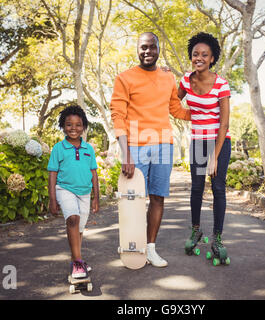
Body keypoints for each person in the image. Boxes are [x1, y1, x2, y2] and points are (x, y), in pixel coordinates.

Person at [110, 32, 191, 267]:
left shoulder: (167, 78)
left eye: (151, 47)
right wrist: (125, 153)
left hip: (164, 144)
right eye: (143, 47)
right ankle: (132, 242)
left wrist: (202, 112)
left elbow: (175, 109)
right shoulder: (124, 78)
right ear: (138, 49)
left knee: (157, 198)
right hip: (135, 145)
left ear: (158, 48)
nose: (147, 51)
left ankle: (150, 248)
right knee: (133, 200)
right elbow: (118, 116)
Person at [177, 32, 231, 262]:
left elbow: (225, 122)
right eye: (195, 54)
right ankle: (195, 229)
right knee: (196, 188)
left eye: (204, 55)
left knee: (218, 188)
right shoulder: (185, 81)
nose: (198, 57)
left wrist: (215, 157)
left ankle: (217, 237)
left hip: (219, 142)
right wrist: (165, 77)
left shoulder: (221, 84)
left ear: (212, 58)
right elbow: (172, 101)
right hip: (198, 142)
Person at [47, 105, 99, 278]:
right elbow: (52, 174)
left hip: (85, 192)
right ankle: (78, 263)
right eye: (69, 124)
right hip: (65, 189)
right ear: (63, 126)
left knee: (79, 228)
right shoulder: (58, 148)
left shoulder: (88, 149)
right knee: (73, 219)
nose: (74, 128)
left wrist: (96, 198)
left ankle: (77, 261)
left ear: (83, 126)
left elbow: (94, 173)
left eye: (78, 125)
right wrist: (52, 199)